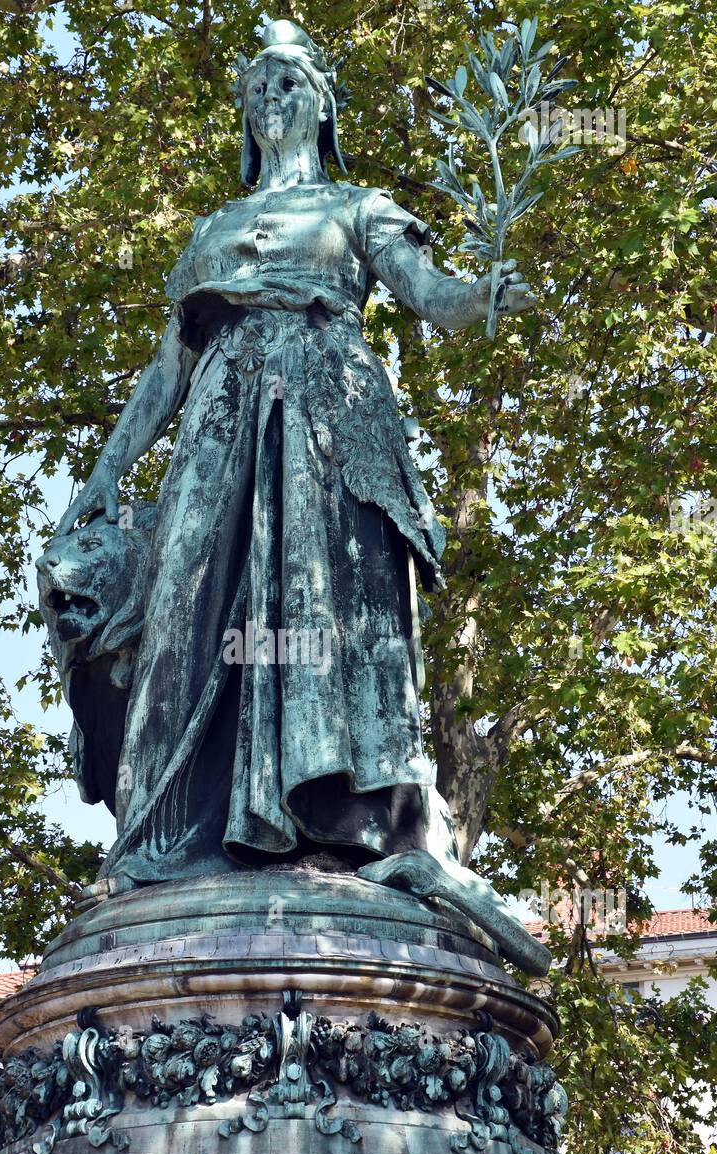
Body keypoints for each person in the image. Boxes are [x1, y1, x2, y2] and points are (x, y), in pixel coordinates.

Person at [54, 21, 547, 973]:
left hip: (329, 414)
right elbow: (169, 369)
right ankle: (154, 839)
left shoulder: (360, 207)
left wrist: (483, 294)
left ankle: (343, 817)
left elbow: (428, 292)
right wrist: (105, 470)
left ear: (321, 103)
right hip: (220, 419)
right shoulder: (212, 230)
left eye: (289, 84)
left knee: (333, 619)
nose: (271, 100)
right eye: (257, 88)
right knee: (186, 615)